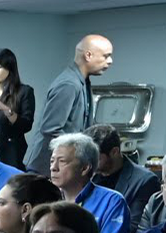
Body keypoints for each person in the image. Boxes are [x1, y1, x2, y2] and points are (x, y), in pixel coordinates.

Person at [28, 34, 113, 174]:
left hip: (60, 167)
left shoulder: (82, 82)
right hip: (47, 170)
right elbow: (51, 128)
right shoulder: (69, 84)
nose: (110, 61)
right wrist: (82, 152)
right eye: (106, 56)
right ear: (88, 55)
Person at [48, 131, 129, 233]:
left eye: (62, 161)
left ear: (85, 168)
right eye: (52, 161)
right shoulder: (45, 199)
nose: (53, 167)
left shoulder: (112, 202)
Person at [88, 123, 159, 222]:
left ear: (114, 152)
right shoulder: (87, 176)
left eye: (95, 158)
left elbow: (134, 225)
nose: (89, 163)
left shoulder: (145, 181)